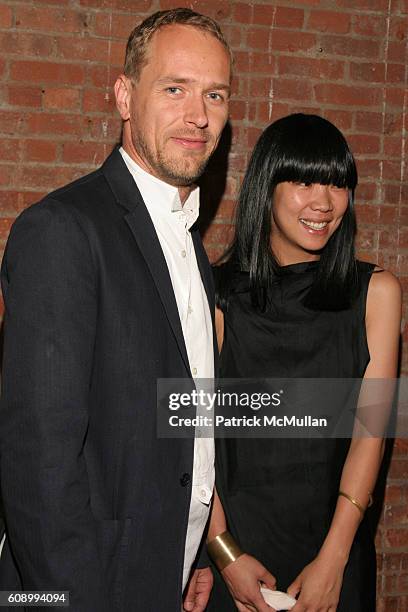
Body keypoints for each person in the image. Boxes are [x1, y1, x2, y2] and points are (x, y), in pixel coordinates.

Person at [0, 8, 231, 611]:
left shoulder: (189, 245)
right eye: (174, 88)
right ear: (125, 97)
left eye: (215, 95)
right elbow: (37, 465)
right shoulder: (62, 231)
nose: (199, 116)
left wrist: (192, 554)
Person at [206, 114, 401, 612]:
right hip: (235, 556)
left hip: (335, 548)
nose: (324, 202)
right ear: (266, 188)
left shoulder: (376, 293)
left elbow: (370, 435)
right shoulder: (218, 295)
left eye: (337, 184)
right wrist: (224, 551)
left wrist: (334, 560)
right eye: (305, 181)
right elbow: (190, 437)